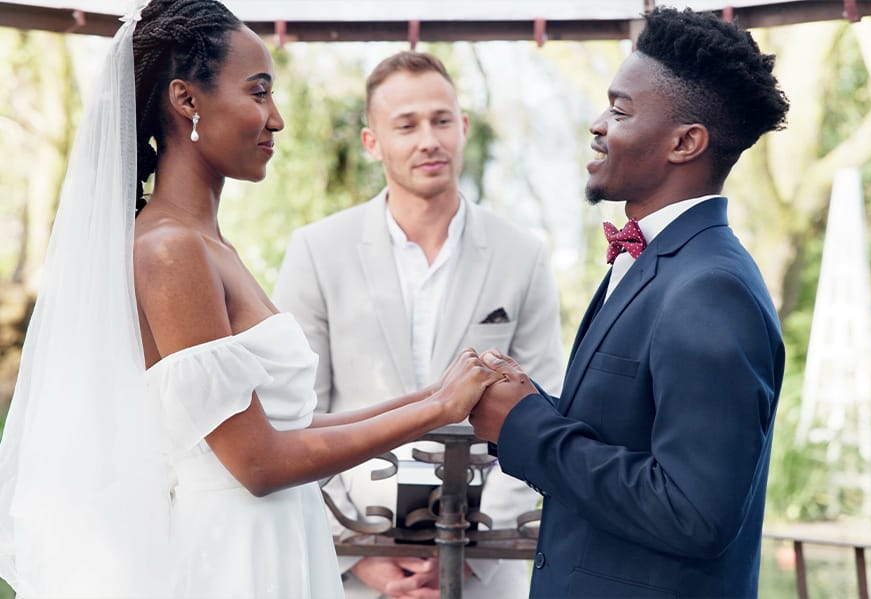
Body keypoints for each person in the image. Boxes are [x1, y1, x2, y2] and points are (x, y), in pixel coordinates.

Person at [0, 2, 502, 597]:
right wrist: (435, 413)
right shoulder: (169, 251)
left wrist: (437, 392)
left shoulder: (212, 246)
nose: (278, 119)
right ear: (187, 101)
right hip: (234, 556)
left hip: (279, 535)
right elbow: (258, 463)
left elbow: (292, 426)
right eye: (259, 92)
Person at [469, 7, 789, 598]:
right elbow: (628, 435)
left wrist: (526, 427)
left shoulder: (710, 290)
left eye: (619, 110)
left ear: (686, 142)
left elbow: (693, 512)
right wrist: (530, 400)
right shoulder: (654, 261)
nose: (597, 124)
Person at [273, 51, 565, 598]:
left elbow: (543, 411)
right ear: (372, 143)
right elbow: (294, 417)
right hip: (352, 566)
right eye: (405, 125)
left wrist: (466, 553)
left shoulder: (521, 255)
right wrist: (363, 554)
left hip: (487, 566)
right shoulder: (316, 251)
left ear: (464, 127)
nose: (427, 139)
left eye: (441, 120)